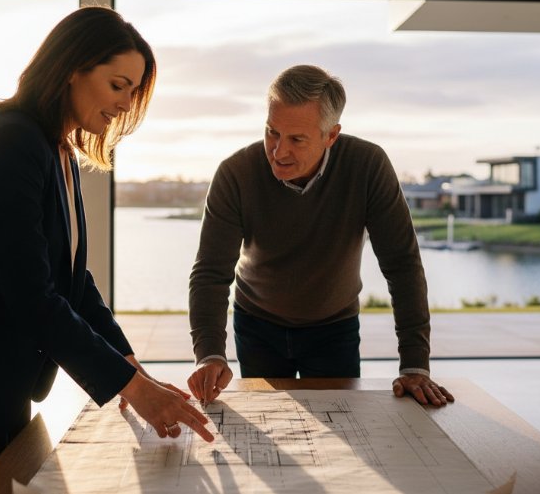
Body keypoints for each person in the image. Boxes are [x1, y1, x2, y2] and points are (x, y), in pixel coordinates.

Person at [0, 6, 213, 494]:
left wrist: (130, 365)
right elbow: (34, 298)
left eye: (133, 91)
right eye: (118, 85)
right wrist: (132, 388)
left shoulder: (58, 149)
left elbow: (72, 278)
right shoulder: (9, 143)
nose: (125, 104)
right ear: (73, 68)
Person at [186, 64, 454, 408]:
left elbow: (402, 265)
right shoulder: (235, 174)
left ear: (331, 135)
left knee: (342, 432)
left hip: (334, 327)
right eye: (272, 132)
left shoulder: (368, 166)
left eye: (297, 139)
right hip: (257, 325)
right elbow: (210, 273)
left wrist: (415, 363)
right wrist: (209, 354)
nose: (279, 151)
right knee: (270, 427)